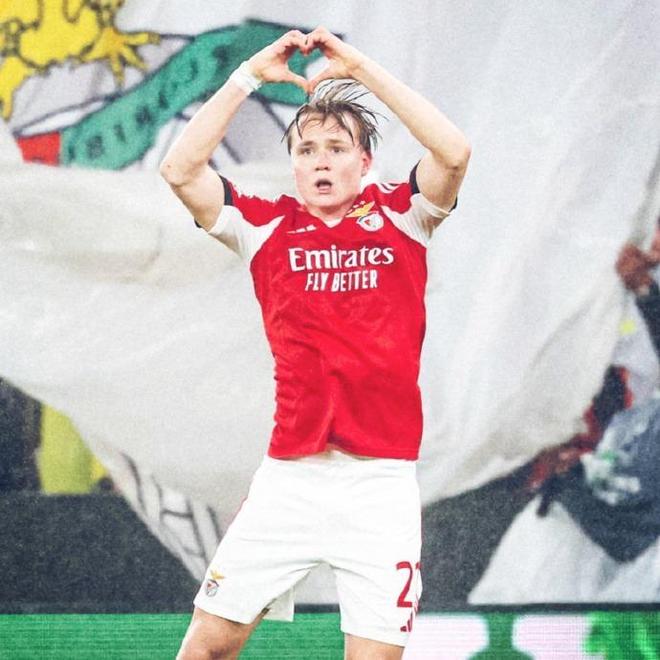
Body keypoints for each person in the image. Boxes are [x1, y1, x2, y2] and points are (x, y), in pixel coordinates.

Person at [160, 26, 470, 659]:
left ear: (366, 162)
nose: (321, 160)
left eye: (337, 148)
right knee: (206, 649)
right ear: (294, 164)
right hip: (290, 480)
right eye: (306, 149)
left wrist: (361, 69)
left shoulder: (404, 215)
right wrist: (248, 76)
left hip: (380, 485)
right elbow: (179, 169)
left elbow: (455, 151)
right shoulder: (264, 226)